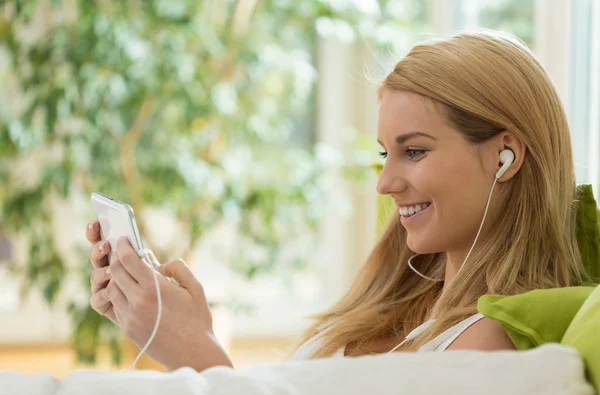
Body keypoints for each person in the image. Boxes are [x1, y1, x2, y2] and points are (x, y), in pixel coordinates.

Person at [85, 30, 592, 370]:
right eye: (384, 153)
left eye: (414, 151)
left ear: (506, 156)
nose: (385, 182)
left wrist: (195, 350)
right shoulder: (399, 300)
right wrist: (177, 328)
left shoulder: (490, 345)